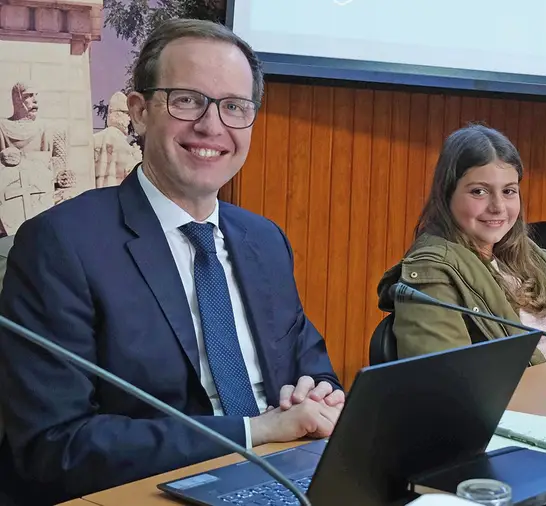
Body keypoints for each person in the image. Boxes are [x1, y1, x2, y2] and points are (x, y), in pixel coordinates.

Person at [0, 19, 343, 505]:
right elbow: (56, 446)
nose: (212, 125)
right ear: (139, 113)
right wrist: (252, 431)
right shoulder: (61, 245)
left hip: (282, 476)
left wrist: (318, 395)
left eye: (234, 107)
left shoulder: (264, 241)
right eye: (187, 100)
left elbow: (313, 368)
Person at [376, 124, 546, 365]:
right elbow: (446, 380)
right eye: (479, 191)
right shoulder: (431, 272)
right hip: (514, 403)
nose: (498, 206)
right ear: (447, 195)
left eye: (509, 191)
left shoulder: (539, 259)